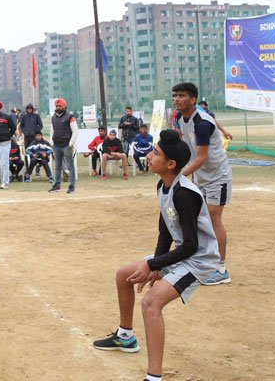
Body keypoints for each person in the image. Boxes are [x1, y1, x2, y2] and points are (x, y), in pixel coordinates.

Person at [91, 129, 219, 381]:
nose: (149, 155)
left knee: (151, 303)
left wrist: (154, 263)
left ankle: (154, 377)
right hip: (181, 252)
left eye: (156, 153)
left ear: (171, 164)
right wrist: (154, 266)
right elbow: (165, 232)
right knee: (123, 275)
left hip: (199, 260)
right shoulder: (164, 185)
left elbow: (192, 246)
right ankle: (125, 336)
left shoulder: (185, 193)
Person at [173, 82, 233, 285]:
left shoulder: (202, 123)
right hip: (200, 177)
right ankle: (203, 261)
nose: (177, 100)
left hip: (217, 177)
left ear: (193, 99)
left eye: (181, 96)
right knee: (200, 219)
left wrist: (179, 175)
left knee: (214, 220)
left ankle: (221, 269)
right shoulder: (181, 118)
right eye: (175, 96)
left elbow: (202, 157)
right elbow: (188, 150)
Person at [49, 98, 78, 194]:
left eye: (60, 105)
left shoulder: (70, 117)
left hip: (66, 145)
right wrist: (52, 143)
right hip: (56, 145)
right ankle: (57, 185)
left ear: (64, 106)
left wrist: (71, 144)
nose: (58, 107)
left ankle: (72, 186)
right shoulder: (53, 117)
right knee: (57, 166)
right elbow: (52, 130)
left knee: (70, 166)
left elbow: (75, 131)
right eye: (57, 106)